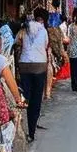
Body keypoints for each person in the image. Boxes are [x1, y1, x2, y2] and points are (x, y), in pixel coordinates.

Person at [17, 8, 50, 143]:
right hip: (40, 66)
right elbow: (46, 45)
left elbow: (17, 42)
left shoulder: (24, 28)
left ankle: (21, 126)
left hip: (24, 65)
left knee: (25, 96)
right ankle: (31, 131)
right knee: (36, 99)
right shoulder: (43, 30)